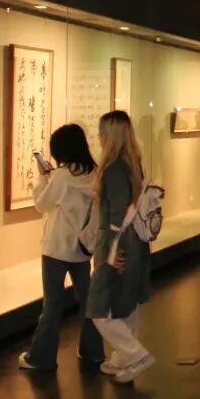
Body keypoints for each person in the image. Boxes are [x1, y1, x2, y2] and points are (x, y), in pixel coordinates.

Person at [18, 124, 104, 371]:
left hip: (56, 250)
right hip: (82, 249)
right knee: (88, 302)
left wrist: (42, 178)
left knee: (52, 306)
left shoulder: (61, 177)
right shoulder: (95, 174)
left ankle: (41, 358)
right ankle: (92, 351)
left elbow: (42, 204)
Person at [85, 110, 154, 384]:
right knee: (127, 303)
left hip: (117, 243)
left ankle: (135, 356)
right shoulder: (133, 163)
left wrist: (111, 253)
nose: (99, 136)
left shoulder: (113, 167)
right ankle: (122, 359)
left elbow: (117, 215)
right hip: (135, 241)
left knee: (99, 308)